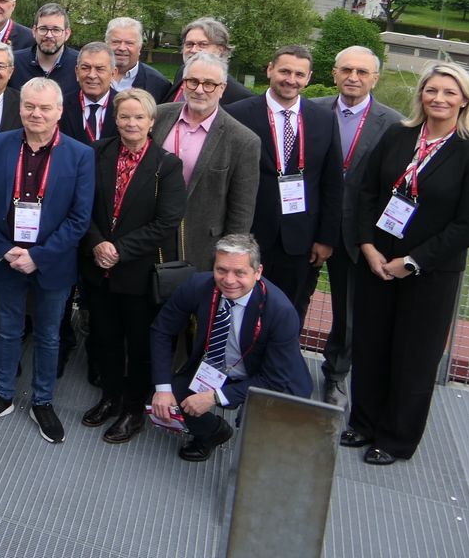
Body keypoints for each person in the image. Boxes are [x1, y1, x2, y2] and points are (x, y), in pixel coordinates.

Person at [342, 63, 469, 466]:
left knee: (413, 356)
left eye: (449, 93)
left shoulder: (468, 151)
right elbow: (366, 191)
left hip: (429, 273)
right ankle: (363, 422)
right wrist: (366, 245)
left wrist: (412, 262)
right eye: (432, 90)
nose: (439, 99)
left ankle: (396, 438)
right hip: (377, 261)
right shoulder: (398, 135)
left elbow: (466, 224)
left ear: (464, 100)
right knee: (370, 345)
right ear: (421, 95)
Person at [0, 77, 95, 445]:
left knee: (49, 334)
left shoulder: (80, 155)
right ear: (20, 107)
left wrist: (38, 256)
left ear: (59, 111)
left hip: (52, 263)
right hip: (6, 257)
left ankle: (43, 400)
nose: (35, 114)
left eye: (44, 108)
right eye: (29, 106)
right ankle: (3, 394)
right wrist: (4, 249)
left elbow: (79, 217)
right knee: (6, 330)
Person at [79, 88, 185, 444]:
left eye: (139, 117)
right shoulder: (96, 153)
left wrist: (119, 249)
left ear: (152, 121)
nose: (131, 123)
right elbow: (81, 206)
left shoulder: (166, 166)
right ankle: (110, 396)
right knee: (104, 337)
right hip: (97, 267)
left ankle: (132, 408)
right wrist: (96, 243)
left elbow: (167, 222)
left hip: (137, 272)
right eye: (125, 116)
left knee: (138, 344)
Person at [150, 234, 312, 462]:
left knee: (258, 441)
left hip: (272, 380)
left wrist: (215, 397)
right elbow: (162, 330)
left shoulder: (281, 312)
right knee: (171, 392)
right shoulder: (197, 286)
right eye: (221, 270)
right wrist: (163, 388)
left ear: (257, 272)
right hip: (218, 367)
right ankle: (213, 433)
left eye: (240, 272)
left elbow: (274, 379)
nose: (228, 280)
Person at [308, 46, 400, 407]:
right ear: (334, 73)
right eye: (346, 69)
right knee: (290, 300)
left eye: (363, 72)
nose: (354, 77)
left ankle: (335, 376)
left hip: (357, 234)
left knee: (347, 315)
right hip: (309, 226)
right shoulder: (313, 111)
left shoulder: (393, 123)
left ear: (375, 78)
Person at [228, 45, 343, 317]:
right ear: (270, 70)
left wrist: (326, 238)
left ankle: (276, 360)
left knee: (287, 313)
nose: (291, 79)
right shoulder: (238, 114)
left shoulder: (324, 119)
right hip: (250, 233)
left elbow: (332, 183)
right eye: (284, 71)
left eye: (299, 74)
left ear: (309, 77)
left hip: (300, 239)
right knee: (239, 309)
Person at [152, 53, 261, 271]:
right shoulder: (157, 116)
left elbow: (241, 211)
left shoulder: (243, 140)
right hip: (150, 236)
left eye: (209, 84)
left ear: (222, 88)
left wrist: (230, 260)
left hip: (200, 247)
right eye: (193, 81)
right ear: (183, 83)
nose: (200, 90)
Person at [167, 17, 252, 105]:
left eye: (203, 44)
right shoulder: (182, 72)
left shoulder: (239, 96)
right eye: (189, 44)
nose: (193, 50)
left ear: (220, 50)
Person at [9, 2, 78, 93]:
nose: (49, 35)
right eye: (43, 29)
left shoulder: (80, 65)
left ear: (67, 34)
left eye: (56, 30)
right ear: (34, 31)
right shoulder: (14, 62)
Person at [59, 42, 120, 143]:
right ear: (77, 72)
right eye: (85, 68)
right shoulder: (60, 106)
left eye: (100, 69)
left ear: (113, 73)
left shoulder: (124, 107)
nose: (92, 75)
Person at [106, 17, 170, 97]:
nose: (122, 48)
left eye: (129, 43)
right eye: (116, 42)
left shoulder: (158, 84)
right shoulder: (89, 75)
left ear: (139, 47)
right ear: (106, 45)